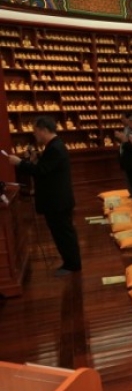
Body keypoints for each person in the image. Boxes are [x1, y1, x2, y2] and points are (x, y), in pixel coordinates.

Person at [9, 116, 81, 276]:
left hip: (57, 201)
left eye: (36, 131)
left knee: (63, 233)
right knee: (62, 232)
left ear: (43, 130)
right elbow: (46, 169)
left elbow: (41, 171)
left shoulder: (55, 148)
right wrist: (36, 160)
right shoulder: (53, 146)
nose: (35, 135)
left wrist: (19, 163)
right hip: (56, 199)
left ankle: (72, 264)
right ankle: (70, 262)